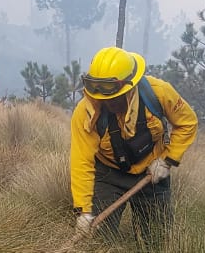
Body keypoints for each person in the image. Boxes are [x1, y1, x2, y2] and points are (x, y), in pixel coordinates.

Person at [70, 46, 197, 241]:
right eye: (100, 94)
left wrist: (167, 161)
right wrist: (84, 212)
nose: (107, 102)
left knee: (156, 240)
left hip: (152, 171)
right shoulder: (85, 113)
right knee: (99, 242)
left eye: (113, 96)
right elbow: (81, 161)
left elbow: (187, 123)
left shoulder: (159, 93)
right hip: (108, 174)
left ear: (130, 85)